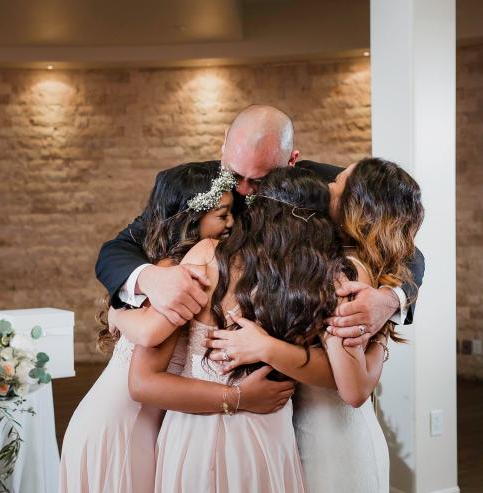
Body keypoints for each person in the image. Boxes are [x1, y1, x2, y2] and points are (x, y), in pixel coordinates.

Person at [95, 105, 425, 355]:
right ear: (224, 143)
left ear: (291, 161)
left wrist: (389, 300)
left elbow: (405, 249)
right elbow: (117, 249)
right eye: (235, 174)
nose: (242, 189)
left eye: (259, 180)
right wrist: (149, 278)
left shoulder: (326, 187)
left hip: (301, 357)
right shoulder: (189, 185)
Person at [60, 162, 286, 493]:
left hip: (144, 422)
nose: (231, 223)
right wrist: (239, 397)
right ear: (191, 218)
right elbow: (150, 334)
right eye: (222, 215)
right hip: (123, 425)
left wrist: (117, 314)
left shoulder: (182, 260)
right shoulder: (182, 270)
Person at [205, 157, 424, 492]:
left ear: (356, 206)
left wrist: (265, 347)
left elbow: (354, 390)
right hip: (303, 432)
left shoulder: (342, 272)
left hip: (333, 443)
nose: (329, 185)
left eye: (339, 182)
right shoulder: (325, 258)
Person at [125, 166, 347, 492]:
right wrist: (237, 397)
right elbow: (338, 377)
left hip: (201, 436)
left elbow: (142, 382)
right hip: (264, 434)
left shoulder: (207, 257)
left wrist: (264, 354)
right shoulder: (320, 280)